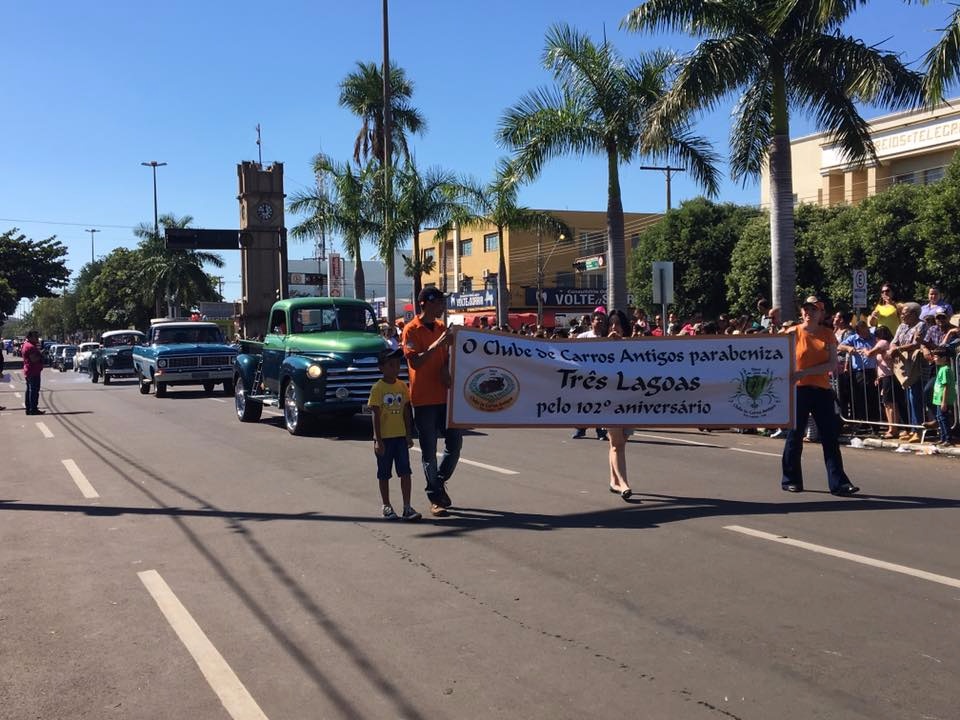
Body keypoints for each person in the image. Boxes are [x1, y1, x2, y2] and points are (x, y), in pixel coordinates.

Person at [781, 296, 859, 496]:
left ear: (820, 314)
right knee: (794, 436)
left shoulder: (827, 334)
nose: (808, 313)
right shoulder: (792, 333)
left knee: (829, 437)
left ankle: (839, 483)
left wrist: (804, 372)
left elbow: (832, 364)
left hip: (821, 389)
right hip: (798, 390)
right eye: (806, 310)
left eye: (813, 310)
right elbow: (776, 355)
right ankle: (791, 479)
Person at [402, 287, 461, 517]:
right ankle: (435, 498)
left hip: (445, 397)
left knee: (455, 444)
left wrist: (446, 368)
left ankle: (437, 481)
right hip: (423, 399)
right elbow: (415, 363)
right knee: (429, 451)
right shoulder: (411, 330)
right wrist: (437, 344)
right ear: (424, 303)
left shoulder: (441, 328)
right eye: (438, 302)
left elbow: (449, 358)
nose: (442, 307)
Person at [368, 348, 420, 521]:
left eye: (398, 364)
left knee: (405, 472)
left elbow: (406, 411)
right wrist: (377, 439)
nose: (395, 368)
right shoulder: (378, 388)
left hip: (400, 438)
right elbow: (375, 414)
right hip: (385, 439)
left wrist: (408, 434)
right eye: (391, 365)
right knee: (384, 473)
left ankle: (407, 507)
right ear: (381, 367)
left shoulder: (402, 386)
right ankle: (387, 506)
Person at [605, 309, 634, 501]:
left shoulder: (633, 346)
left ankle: (613, 481)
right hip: (608, 402)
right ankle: (624, 484)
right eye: (611, 324)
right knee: (618, 444)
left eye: (618, 324)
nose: (615, 328)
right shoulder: (598, 347)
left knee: (619, 441)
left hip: (630, 403)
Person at [571, 310, 609, 440]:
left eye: (602, 320)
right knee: (583, 404)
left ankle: (600, 431)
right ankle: (580, 429)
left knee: (599, 405)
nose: (600, 322)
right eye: (597, 319)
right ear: (592, 322)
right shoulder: (583, 337)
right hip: (585, 378)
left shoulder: (607, 338)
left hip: (602, 378)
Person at [930, 347, 956, 447]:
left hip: (942, 400)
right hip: (938, 400)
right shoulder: (941, 369)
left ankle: (948, 438)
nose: (934, 359)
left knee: (943, 418)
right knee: (940, 418)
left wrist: (944, 402)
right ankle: (942, 437)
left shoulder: (945, 370)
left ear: (944, 358)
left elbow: (946, 387)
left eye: (936, 357)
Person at [21, 330, 45, 415]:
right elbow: (34, 359)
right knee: (34, 390)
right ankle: (33, 409)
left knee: (30, 390)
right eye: (35, 336)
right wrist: (41, 355)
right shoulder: (30, 347)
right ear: (30, 337)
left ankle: (29, 409)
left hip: (30, 371)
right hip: (33, 371)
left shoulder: (27, 345)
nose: (37, 338)